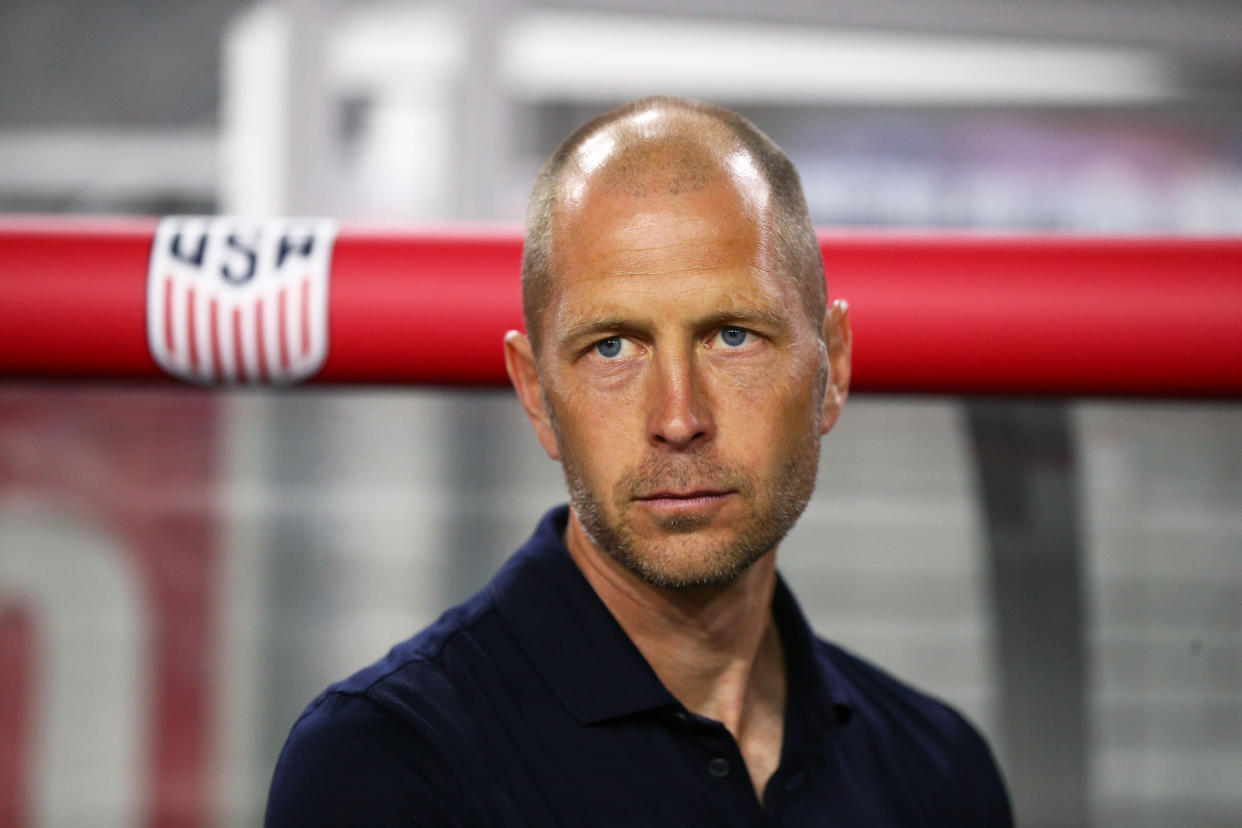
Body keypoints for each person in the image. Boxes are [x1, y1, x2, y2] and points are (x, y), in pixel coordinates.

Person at [266, 96, 1012, 826]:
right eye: (612, 347)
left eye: (733, 336)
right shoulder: (387, 765)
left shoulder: (937, 772)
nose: (679, 418)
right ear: (536, 394)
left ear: (833, 368)